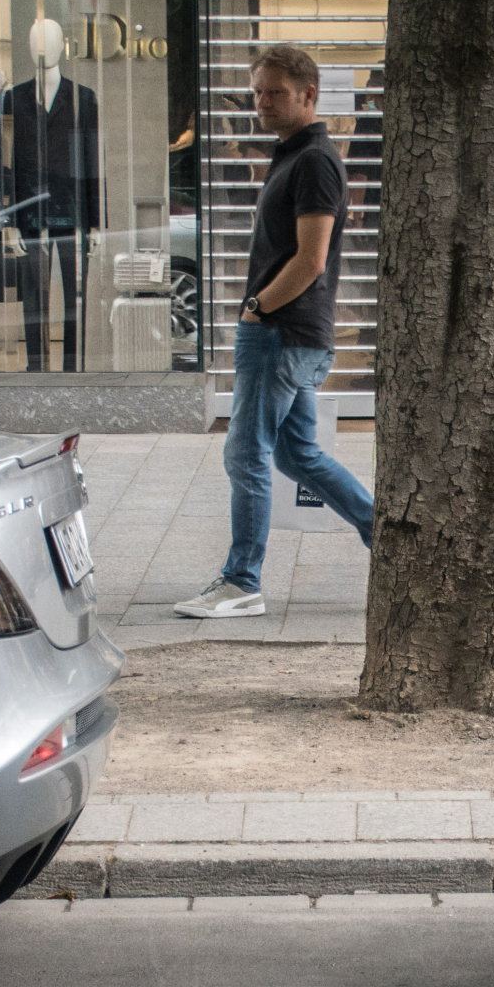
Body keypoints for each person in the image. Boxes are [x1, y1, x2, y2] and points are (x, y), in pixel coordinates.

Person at [174, 44, 374, 619]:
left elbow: (311, 260)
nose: (262, 102)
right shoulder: (292, 154)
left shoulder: (313, 160)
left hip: (283, 332)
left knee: (246, 453)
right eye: (258, 91)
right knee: (299, 454)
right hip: (289, 331)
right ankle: (389, 536)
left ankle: (242, 581)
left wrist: (258, 308)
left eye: (276, 92)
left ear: (309, 96)